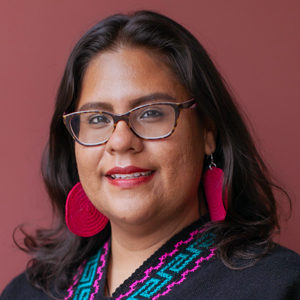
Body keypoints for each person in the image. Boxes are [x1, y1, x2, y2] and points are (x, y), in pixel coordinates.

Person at [1, 10, 300, 300]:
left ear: (208, 132)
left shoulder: (279, 286)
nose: (120, 141)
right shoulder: (26, 293)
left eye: (152, 113)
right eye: (96, 118)